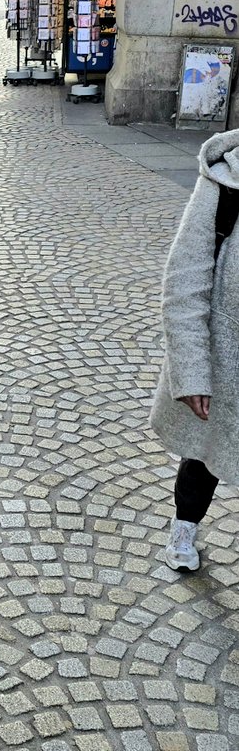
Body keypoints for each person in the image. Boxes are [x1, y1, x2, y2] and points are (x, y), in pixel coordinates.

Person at [150, 130, 239, 571]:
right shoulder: (227, 179)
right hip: (228, 365)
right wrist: (191, 372)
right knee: (203, 457)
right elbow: (184, 282)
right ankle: (184, 526)